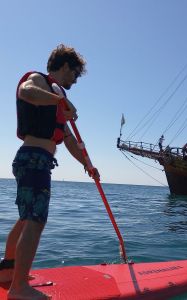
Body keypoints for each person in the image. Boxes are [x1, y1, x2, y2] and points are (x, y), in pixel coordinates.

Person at [0, 44, 100, 300]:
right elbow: (26, 92)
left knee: (26, 218)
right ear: (65, 66)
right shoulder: (39, 81)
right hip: (34, 160)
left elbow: (67, 139)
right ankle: (19, 288)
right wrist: (60, 99)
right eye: (75, 74)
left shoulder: (55, 97)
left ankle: (7, 273)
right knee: (36, 220)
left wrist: (87, 165)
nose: (75, 81)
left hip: (34, 161)